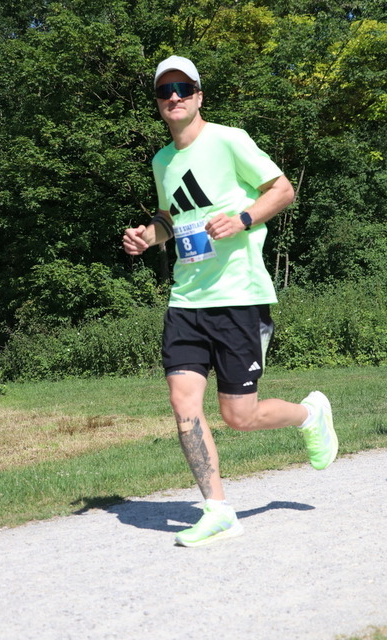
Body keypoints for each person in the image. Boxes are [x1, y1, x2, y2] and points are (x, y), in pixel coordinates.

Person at [123, 55, 338, 548]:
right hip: (186, 299)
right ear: (158, 102)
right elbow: (169, 218)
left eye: (183, 88)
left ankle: (310, 414)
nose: (174, 97)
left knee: (239, 416)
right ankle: (217, 509)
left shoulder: (229, 139)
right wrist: (147, 236)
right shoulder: (162, 161)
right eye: (164, 90)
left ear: (198, 95)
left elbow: (282, 190)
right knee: (183, 403)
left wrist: (242, 219)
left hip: (238, 296)